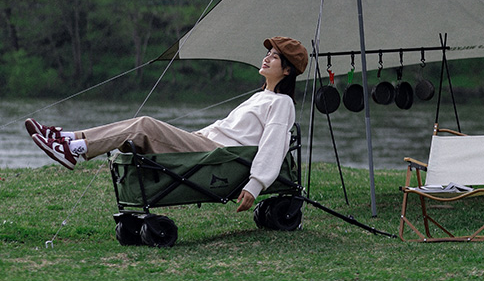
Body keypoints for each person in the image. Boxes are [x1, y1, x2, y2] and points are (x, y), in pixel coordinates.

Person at [25, 37, 308, 213]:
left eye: (274, 56)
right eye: (267, 52)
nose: (266, 57)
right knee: (134, 134)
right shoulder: (260, 96)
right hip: (203, 143)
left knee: (143, 125)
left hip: (216, 154)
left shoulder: (282, 104)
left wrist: (256, 185)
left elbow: (274, 144)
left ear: (286, 70)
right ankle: (66, 139)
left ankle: (74, 147)